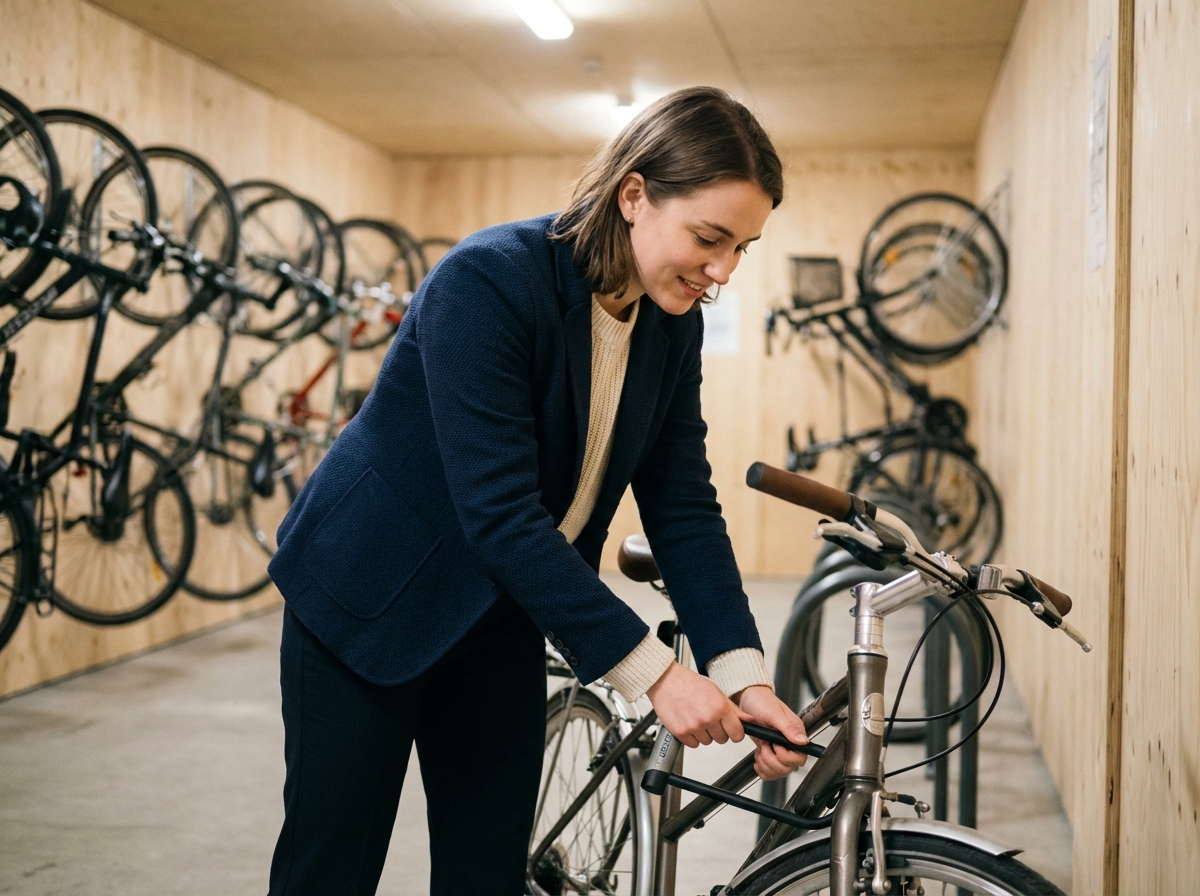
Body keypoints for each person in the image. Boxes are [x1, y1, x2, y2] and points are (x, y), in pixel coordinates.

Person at [265, 85, 810, 896]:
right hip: (364, 598)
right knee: (332, 864)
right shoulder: (488, 282)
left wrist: (743, 676)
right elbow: (500, 513)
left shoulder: (671, 324)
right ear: (634, 194)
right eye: (709, 237)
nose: (723, 270)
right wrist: (659, 676)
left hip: (498, 613)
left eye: (744, 248)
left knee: (486, 870)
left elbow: (683, 504)